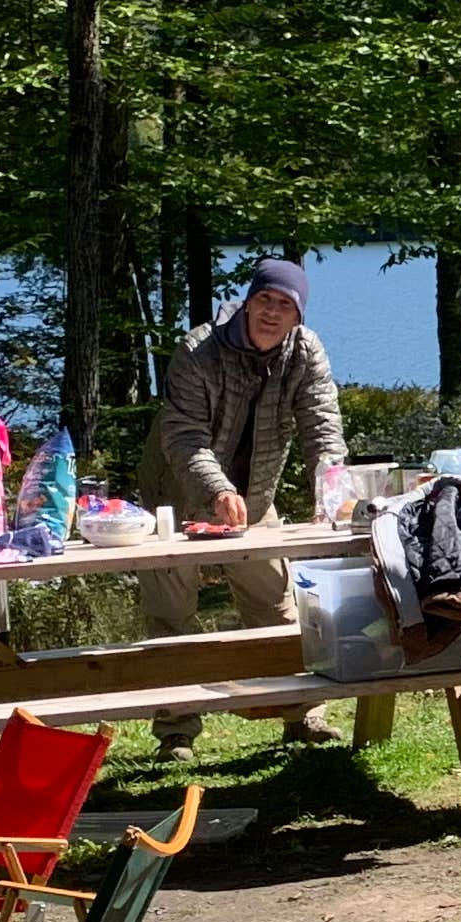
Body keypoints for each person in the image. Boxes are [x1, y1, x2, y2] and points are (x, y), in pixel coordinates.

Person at [143, 256, 347, 753]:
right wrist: (216, 489)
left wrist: (333, 488)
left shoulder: (306, 352)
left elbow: (322, 425)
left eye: (285, 305)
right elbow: (184, 435)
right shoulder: (198, 349)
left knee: (278, 606)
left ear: (298, 316)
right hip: (176, 493)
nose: (272, 313)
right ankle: (176, 730)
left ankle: (301, 714)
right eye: (264, 300)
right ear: (248, 301)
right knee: (171, 617)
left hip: (255, 497)